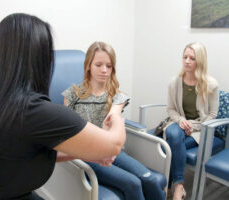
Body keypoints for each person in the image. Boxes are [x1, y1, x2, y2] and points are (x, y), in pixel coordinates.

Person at [0, 14, 126, 200]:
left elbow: (24, 153)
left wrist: (86, 151)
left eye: (109, 66)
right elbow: (114, 144)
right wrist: (116, 114)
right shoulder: (34, 111)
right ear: (42, 59)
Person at [62, 41, 165, 200]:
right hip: (87, 156)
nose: (104, 70)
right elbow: (68, 131)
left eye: (109, 66)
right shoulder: (72, 94)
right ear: (89, 65)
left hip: (113, 153)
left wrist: (109, 128)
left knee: (149, 178)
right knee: (133, 184)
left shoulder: (117, 96)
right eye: (98, 65)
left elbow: (112, 119)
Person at [165, 42, 219, 200]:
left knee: (170, 143)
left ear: (200, 61)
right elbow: (170, 109)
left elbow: (212, 115)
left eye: (192, 58)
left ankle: (168, 186)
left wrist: (193, 127)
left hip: (200, 129)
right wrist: (181, 120)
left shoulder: (211, 85)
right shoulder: (174, 83)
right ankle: (179, 186)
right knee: (173, 133)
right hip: (178, 125)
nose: (187, 61)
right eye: (185, 57)